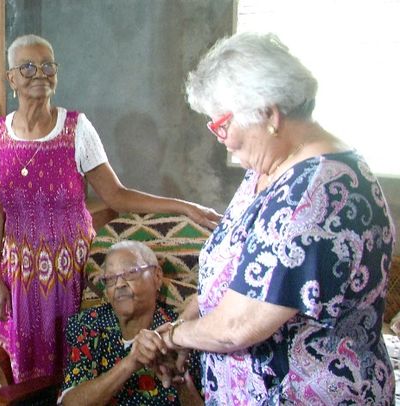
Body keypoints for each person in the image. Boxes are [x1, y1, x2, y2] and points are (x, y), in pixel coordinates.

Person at [151, 32, 396, 404]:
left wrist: (170, 337)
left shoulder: (317, 192)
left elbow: (237, 326)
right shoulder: (271, 168)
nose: (221, 139)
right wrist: (188, 324)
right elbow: (234, 271)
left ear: (268, 113)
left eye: (222, 125)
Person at [0, 33, 221, 383]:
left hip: (73, 269)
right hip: (18, 271)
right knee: (24, 371)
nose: (40, 74)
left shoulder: (77, 129)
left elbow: (117, 196)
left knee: (76, 360)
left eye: (48, 65)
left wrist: (183, 207)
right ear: (12, 78)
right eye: (28, 67)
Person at [58, 240, 201, 405]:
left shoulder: (178, 332)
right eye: (110, 278)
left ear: (157, 276)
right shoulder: (88, 325)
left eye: (130, 272)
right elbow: (68, 403)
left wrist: (180, 378)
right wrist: (131, 363)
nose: (119, 284)